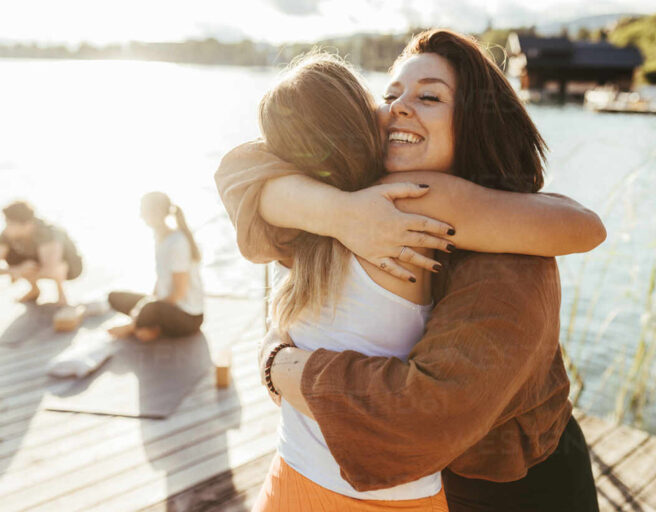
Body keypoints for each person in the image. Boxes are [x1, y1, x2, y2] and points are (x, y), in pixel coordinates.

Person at [217, 30, 604, 512]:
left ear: (476, 124)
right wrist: (339, 211)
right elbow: (240, 168)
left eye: (429, 96)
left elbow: (419, 418)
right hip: (430, 485)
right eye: (390, 94)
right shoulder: (363, 201)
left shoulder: (508, 264)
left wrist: (277, 364)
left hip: (514, 492)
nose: (397, 107)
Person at [107, 192, 204, 342]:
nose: (140, 216)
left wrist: (135, 321)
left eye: (143, 211)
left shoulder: (177, 242)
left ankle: (140, 327)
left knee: (148, 308)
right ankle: (149, 326)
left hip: (188, 318)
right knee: (114, 297)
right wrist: (145, 306)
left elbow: (179, 293)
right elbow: (161, 281)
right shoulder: (160, 239)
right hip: (165, 307)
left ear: (157, 213)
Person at [0, 201, 83, 305]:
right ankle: (34, 290)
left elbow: (50, 269)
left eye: (11, 224)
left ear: (27, 225)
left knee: (58, 267)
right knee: (14, 258)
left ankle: (61, 294)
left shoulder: (47, 232)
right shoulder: (7, 233)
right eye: (6, 222)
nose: (7, 227)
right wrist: (15, 270)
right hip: (37, 260)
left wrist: (22, 272)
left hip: (70, 266)